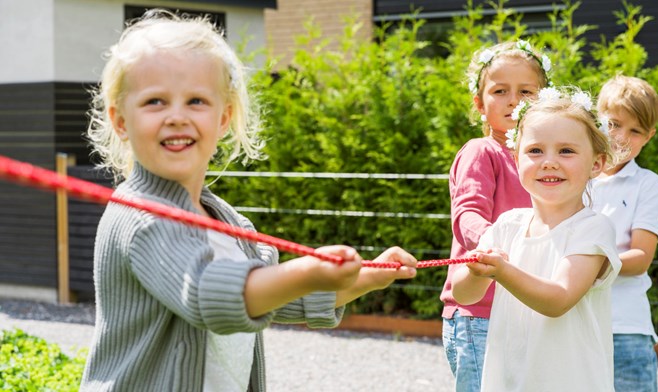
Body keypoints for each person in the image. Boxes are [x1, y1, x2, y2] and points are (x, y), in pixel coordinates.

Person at [79, 10, 417, 392]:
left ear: (223, 119)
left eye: (196, 101)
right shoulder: (141, 218)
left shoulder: (228, 221)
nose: (176, 116)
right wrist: (308, 270)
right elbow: (206, 293)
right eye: (155, 101)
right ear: (121, 121)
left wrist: (365, 279)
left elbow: (271, 298)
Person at [451, 86, 623, 391]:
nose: (549, 161)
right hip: (509, 382)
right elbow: (463, 296)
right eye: (535, 151)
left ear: (596, 164)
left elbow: (558, 299)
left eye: (566, 151)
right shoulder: (507, 225)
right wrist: (476, 272)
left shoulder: (593, 228)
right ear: (517, 160)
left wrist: (501, 271)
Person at [439, 40, 551, 391]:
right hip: (480, 312)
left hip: (525, 307)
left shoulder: (542, 161)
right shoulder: (481, 152)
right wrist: (497, 246)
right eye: (500, 91)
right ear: (479, 104)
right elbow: (468, 214)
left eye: (526, 91)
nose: (514, 100)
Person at [592, 75, 658, 392]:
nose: (621, 137)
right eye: (613, 124)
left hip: (625, 327)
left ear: (648, 136)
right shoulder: (572, 178)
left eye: (635, 130)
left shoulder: (648, 185)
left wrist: (585, 264)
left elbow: (639, 258)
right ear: (596, 120)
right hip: (573, 321)